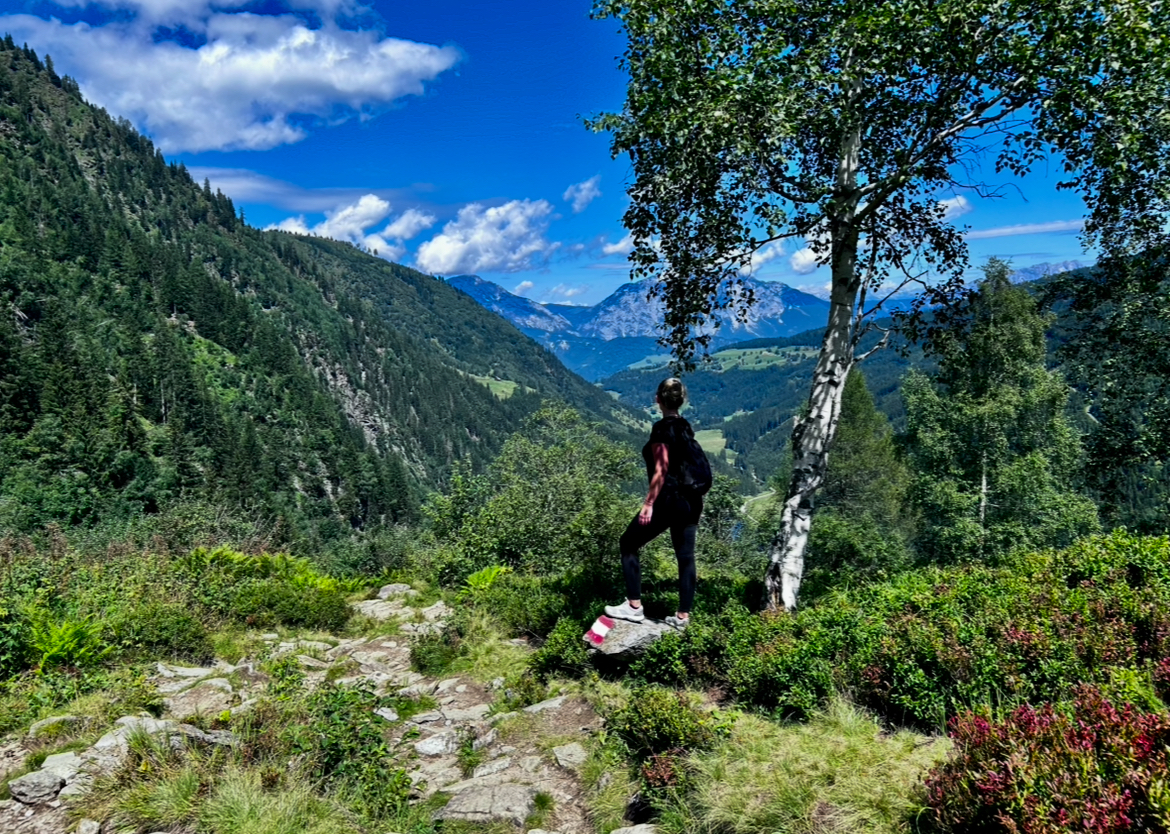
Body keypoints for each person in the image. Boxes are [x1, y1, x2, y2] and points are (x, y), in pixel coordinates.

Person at [605, 377, 701, 630]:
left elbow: (660, 470)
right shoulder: (684, 426)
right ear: (682, 401)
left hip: (669, 500)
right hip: (692, 501)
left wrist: (649, 503)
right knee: (686, 557)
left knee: (628, 542)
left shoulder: (662, 429)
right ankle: (683, 618)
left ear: (657, 400)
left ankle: (634, 607)